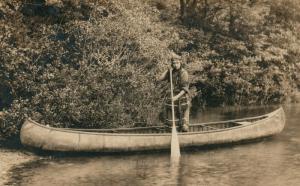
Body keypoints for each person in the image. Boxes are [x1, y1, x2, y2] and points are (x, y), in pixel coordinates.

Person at [157, 52, 190, 132]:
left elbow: (184, 89)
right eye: (174, 63)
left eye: (177, 63)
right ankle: (172, 132)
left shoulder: (184, 73)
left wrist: (176, 97)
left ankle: (184, 134)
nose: (175, 65)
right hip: (172, 97)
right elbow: (159, 78)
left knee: (184, 125)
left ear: (180, 63)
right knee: (171, 123)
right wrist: (168, 70)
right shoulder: (171, 72)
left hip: (181, 98)